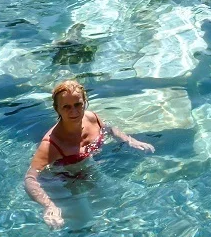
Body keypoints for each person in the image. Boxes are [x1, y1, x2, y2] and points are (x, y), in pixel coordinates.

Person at [24, 80, 154, 229]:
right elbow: (30, 179)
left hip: (90, 170)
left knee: (122, 203)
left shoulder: (92, 118)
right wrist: (49, 206)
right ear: (57, 109)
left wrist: (129, 140)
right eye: (66, 107)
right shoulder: (51, 145)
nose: (74, 111)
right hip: (64, 183)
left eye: (78, 104)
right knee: (84, 225)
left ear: (85, 102)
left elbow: (109, 129)